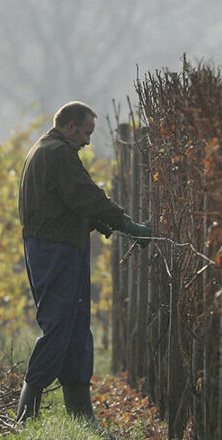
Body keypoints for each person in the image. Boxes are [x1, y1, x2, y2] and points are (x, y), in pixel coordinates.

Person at [16, 101, 151, 423]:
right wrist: (124, 223)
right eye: (86, 132)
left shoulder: (44, 148)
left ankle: (80, 413)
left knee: (76, 325)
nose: (88, 141)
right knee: (60, 322)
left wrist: (93, 221)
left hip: (60, 246)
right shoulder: (58, 153)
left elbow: (59, 201)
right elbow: (85, 195)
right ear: (71, 126)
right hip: (54, 250)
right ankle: (27, 411)